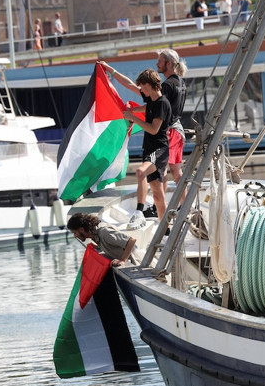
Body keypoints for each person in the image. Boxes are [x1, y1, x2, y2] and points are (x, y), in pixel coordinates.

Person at [100, 49, 187, 215]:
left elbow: (159, 106)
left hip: (168, 131)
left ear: (168, 63)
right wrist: (135, 110)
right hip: (178, 130)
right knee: (176, 172)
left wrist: (132, 112)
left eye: (160, 61)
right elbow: (156, 105)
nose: (157, 64)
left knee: (161, 171)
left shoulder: (167, 86)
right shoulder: (181, 83)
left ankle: (157, 207)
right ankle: (185, 205)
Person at [121, 69, 171, 226]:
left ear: (148, 85)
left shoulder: (162, 103)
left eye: (142, 87)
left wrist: (133, 117)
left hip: (159, 150)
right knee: (158, 195)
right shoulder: (152, 101)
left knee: (140, 172)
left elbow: (153, 129)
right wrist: (132, 111)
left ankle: (138, 212)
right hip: (149, 149)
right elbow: (147, 107)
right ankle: (166, 231)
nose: (141, 90)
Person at [67, 212, 138, 267]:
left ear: (82, 229)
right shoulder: (94, 236)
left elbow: (131, 240)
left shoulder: (104, 233)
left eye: (75, 233)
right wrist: (98, 247)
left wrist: (122, 260)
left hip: (136, 263)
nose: (75, 236)